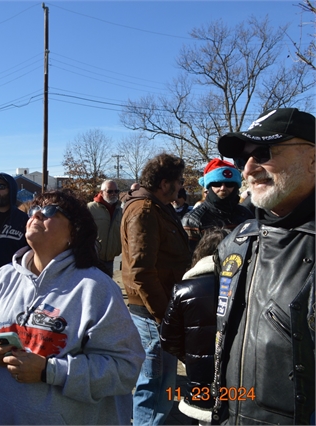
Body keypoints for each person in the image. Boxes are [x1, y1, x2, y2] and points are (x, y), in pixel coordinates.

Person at [0, 190, 145, 425]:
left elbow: (125, 368)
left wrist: (49, 371)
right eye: (32, 210)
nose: (36, 215)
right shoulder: (3, 278)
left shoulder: (96, 288)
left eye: (49, 211)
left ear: (74, 232)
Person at [211, 108, 315, 424]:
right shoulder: (236, 243)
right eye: (244, 160)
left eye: (263, 153)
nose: (249, 168)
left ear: (313, 159)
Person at [120, 152, 192, 425]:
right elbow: (141, 272)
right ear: (165, 183)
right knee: (155, 387)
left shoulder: (158, 207)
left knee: (161, 386)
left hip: (160, 310)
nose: (181, 186)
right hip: (154, 314)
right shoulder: (145, 211)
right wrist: (165, 317)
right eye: (179, 180)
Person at [160, 228, 229, 425]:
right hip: (240, 387)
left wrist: (189, 357)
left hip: (199, 382)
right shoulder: (246, 287)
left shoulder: (184, 290)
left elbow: (167, 338)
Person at [181, 159, 253, 252]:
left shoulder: (246, 215)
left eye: (229, 184)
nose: (223, 188)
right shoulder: (193, 220)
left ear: (236, 187)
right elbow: (186, 259)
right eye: (217, 183)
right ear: (208, 187)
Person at [87, 179, 122, 276]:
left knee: (107, 289)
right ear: (101, 193)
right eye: (110, 191)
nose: (113, 194)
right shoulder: (90, 208)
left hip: (111, 261)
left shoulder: (120, 211)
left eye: (116, 191)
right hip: (93, 259)